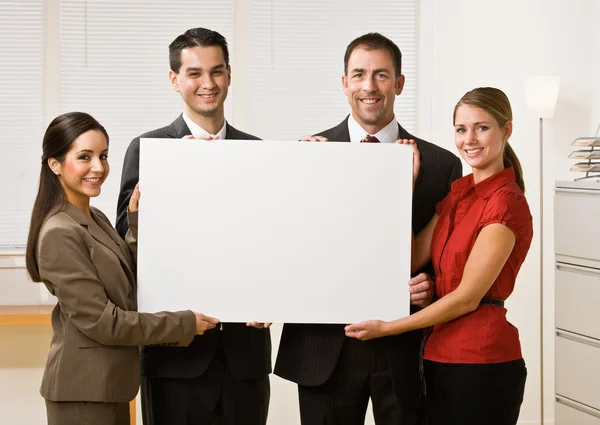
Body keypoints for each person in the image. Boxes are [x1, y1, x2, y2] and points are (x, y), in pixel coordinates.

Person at [274, 32, 462, 425]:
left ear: (399, 83)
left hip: (405, 348)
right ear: (344, 83)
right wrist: (304, 181)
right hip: (324, 348)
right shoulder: (307, 153)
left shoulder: (442, 164)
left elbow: (451, 257)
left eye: (381, 75)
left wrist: (430, 285)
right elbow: (287, 245)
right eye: (359, 74)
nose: (369, 86)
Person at [345, 87, 532, 425]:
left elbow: (465, 299)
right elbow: (411, 257)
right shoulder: (458, 195)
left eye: (482, 127)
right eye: (461, 129)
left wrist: (389, 327)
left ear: (507, 130)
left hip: (482, 362)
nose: (469, 139)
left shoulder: (505, 202)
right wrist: (406, 184)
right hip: (436, 356)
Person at [116, 27, 271, 425]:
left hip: (245, 356)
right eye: (194, 73)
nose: (208, 83)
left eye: (217, 72)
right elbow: (123, 245)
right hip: (175, 357)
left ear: (230, 75)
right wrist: (169, 178)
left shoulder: (259, 151)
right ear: (174, 80)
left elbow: (270, 242)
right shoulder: (149, 148)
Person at [25, 112, 219, 425]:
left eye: (103, 156)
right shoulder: (59, 231)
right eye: (84, 157)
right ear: (55, 164)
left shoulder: (95, 217)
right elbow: (105, 323)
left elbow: (127, 276)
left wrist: (137, 216)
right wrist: (184, 324)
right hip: (81, 393)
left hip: (108, 387)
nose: (98, 168)